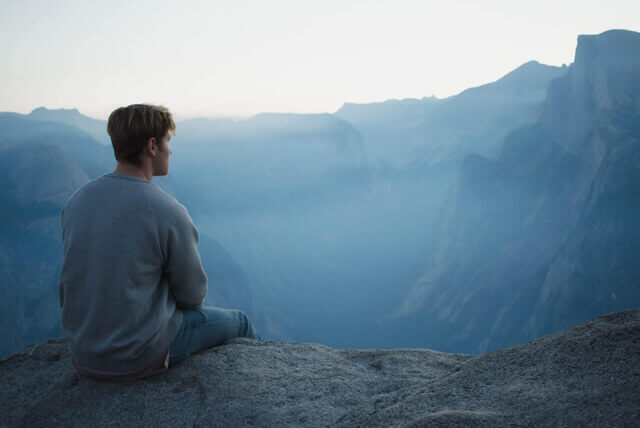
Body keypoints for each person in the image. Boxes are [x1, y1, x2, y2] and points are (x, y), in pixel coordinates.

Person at [58, 103, 260, 381]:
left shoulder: (76, 202)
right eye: (167, 140)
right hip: (138, 357)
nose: (170, 150)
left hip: (82, 356)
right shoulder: (167, 211)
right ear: (152, 146)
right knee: (241, 322)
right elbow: (193, 296)